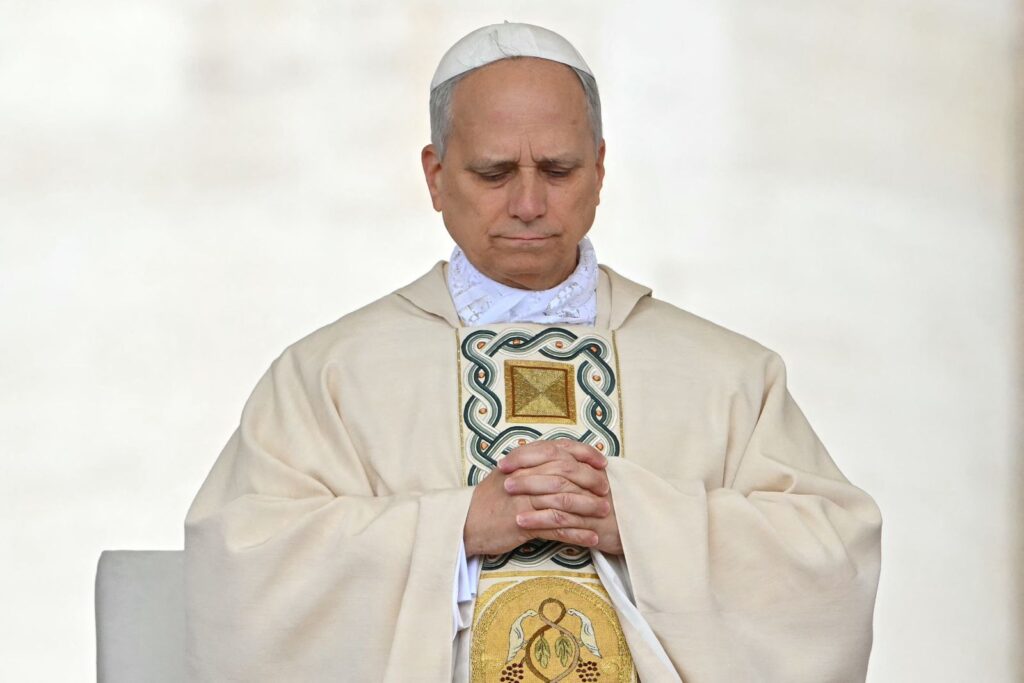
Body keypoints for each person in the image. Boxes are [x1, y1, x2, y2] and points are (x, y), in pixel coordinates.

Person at [185, 22, 881, 682]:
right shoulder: (330, 376)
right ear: (435, 175)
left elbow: (831, 561)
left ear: (600, 169)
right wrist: (457, 528)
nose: (527, 202)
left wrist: (640, 521)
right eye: (494, 173)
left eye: (558, 169)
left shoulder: (726, 375)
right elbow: (242, 565)